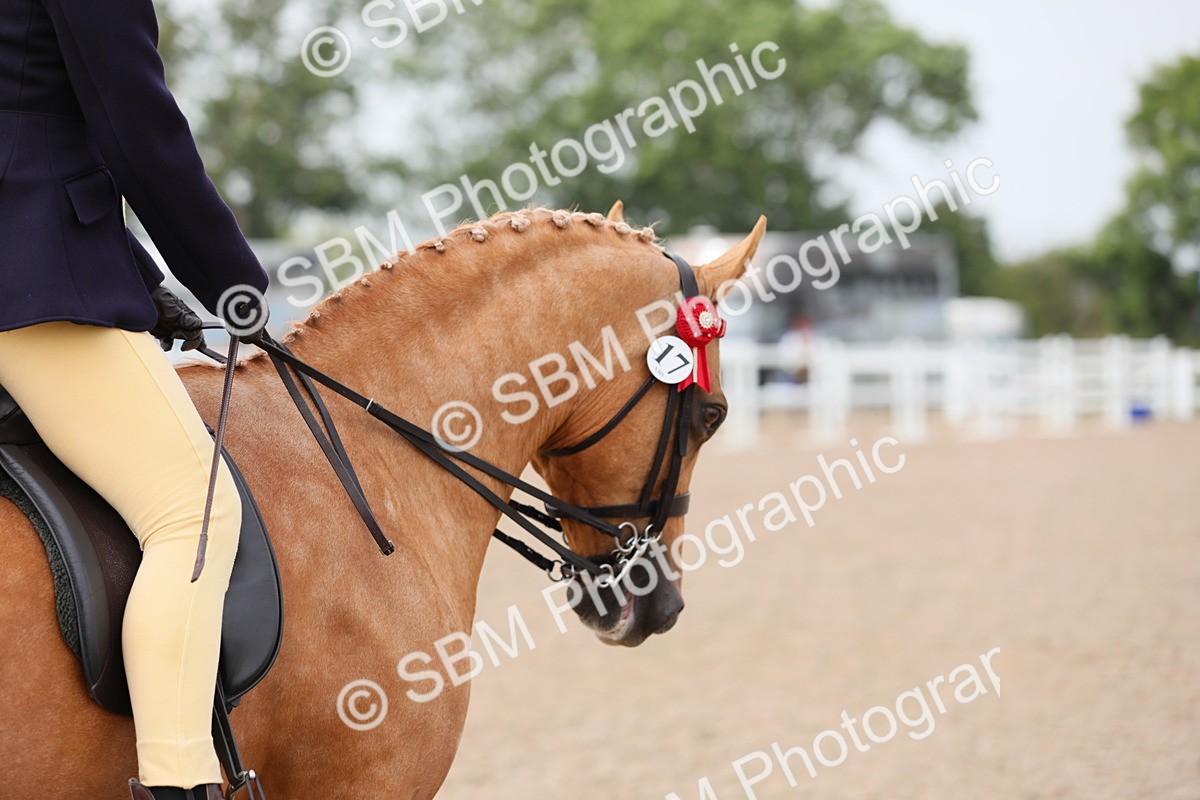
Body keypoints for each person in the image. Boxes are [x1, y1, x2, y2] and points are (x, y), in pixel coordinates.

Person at [0, 0, 270, 797]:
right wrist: (233, 282)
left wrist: (149, 283)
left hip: (41, 250)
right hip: (27, 286)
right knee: (194, 511)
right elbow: (133, 127)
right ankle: (181, 782)